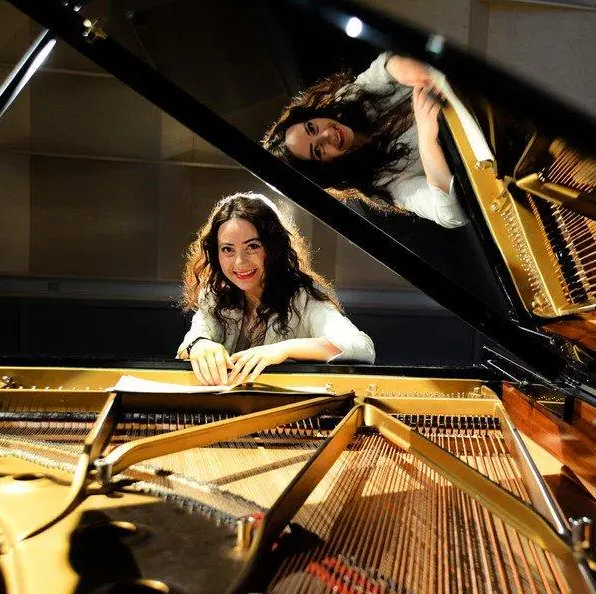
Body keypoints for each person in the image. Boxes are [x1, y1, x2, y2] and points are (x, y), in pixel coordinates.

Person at [177, 192, 375, 385]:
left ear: (273, 247)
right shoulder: (215, 296)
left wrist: (283, 350)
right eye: (228, 249)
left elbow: (360, 347)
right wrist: (199, 345)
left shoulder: (303, 296)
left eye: (252, 246)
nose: (240, 262)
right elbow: (190, 344)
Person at [262, 52, 468, 229]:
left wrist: (401, 69)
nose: (327, 135)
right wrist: (427, 137)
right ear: (324, 169)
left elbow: (384, 65)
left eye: (311, 127)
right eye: (318, 150)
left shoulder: (344, 102)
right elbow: (450, 215)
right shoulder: (380, 184)